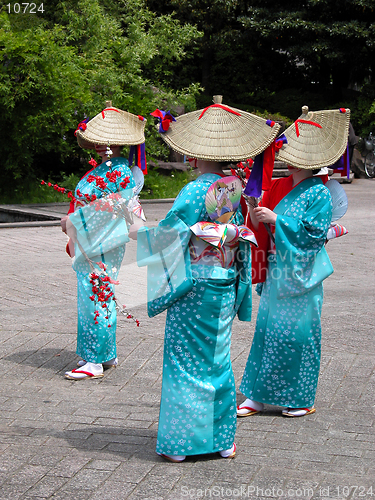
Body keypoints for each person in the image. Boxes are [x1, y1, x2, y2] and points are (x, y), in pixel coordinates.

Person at [136, 96, 281, 461]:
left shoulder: (194, 189)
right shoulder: (237, 188)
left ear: (195, 154)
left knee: (186, 360)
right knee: (217, 358)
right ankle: (222, 440)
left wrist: (139, 232)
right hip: (224, 280)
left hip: (193, 284)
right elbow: (236, 234)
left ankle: (183, 444)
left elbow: (172, 233)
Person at [237, 105, 350, 417]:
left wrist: (277, 220)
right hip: (278, 270)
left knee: (298, 335)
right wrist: (256, 211)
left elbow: (314, 236)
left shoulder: (320, 193)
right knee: (267, 333)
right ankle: (257, 395)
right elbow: (262, 226)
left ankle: (298, 397)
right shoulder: (281, 185)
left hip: (303, 273)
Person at [61, 101, 147, 380]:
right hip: (96, 240)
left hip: (101, 240)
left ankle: (94, 360)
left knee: (95, 294)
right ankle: (106, 353)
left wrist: (73, 222)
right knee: (101, 293)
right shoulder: (111, 168)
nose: (101, 145)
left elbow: (113, 209)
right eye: (98, 140)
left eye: (106, 141)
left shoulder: (118, 171)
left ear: (119, 143)